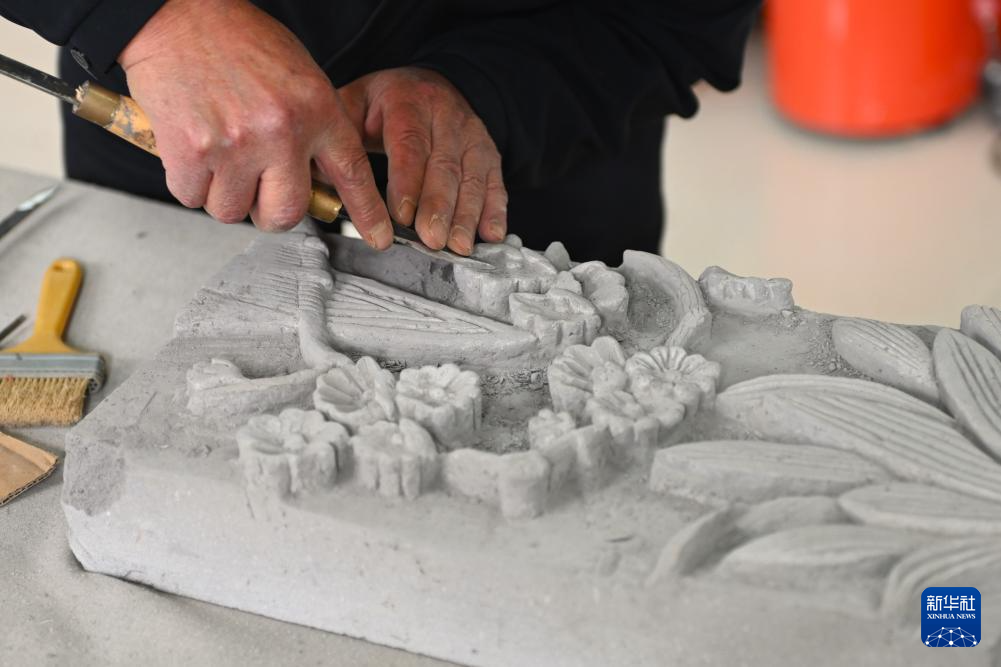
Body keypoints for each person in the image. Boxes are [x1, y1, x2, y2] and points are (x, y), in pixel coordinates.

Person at [0, 0, 760, 264]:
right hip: (174, 114)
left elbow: (674, 21)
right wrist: (146, 16)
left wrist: (488, 89)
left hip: (539, 142)